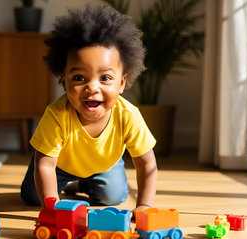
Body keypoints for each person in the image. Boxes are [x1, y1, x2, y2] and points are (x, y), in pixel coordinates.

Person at [20, 4, 157, 215]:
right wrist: (55, 212)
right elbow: (46, 165)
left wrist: (144, 206)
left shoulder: (128, 116)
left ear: (121, 83)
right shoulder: (57, 115)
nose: (92, 87)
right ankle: (64, 184)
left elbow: (147, 164)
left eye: (105, 78)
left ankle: (82, 185)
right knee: (32, 196)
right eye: (79, 78)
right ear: (63, 82)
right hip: (57, 166)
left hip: (104, 166)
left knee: (112, 198)